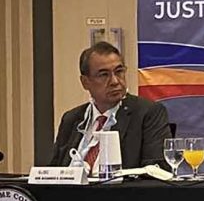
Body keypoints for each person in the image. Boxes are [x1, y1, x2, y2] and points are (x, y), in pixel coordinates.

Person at [49, 41, 171, 173]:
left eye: (119, 72)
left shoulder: (147, 113)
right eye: (104, 75)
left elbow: (157, 172)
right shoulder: (72, 119)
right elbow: (54, 171)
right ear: (85, 82)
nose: (115, 81)